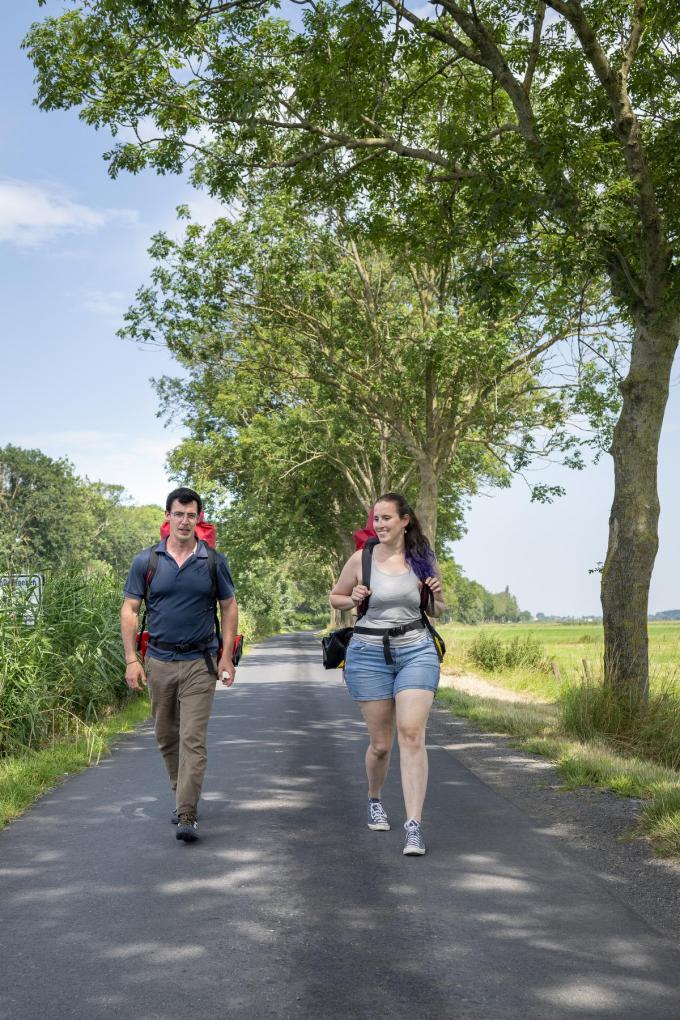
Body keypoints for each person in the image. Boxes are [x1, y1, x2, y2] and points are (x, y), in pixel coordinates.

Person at [330, 492, 445, 856]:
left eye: (386, 518)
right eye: (375, 519)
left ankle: (414, 826)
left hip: (416, 650)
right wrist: (353, 598)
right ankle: (375, 799)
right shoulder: (361, 558)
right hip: (367, 654)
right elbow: (336, 596)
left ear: (404, 520)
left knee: (411, 734)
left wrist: (433, 596)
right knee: (381, 746)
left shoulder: (422, 559)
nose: (379, 525)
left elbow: (439, 609)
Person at [121, 487, 238, 843]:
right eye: (179, 513)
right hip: (158, 660)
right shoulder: (147, 561)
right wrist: (131, 659)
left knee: (192, 739)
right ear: (168, 517)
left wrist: (226, 656)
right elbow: (130, 610)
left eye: (191, 514)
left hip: (200, 662)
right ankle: (180, 794)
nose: (185, 520)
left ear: (198, 519)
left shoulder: (214, 561)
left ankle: (187, 812)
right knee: (165, 735)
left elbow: (229, 607)